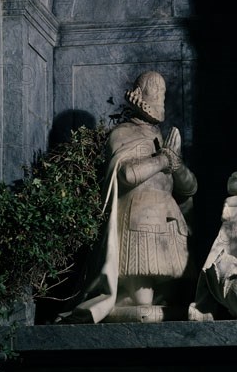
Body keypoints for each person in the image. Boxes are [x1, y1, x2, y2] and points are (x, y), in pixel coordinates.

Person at [62, 71, 198, 323]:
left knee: (171, 296)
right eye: (155, 91)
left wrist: (175, 163)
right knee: (143, 301)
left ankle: (129, 303)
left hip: (168, 220)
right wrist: (163, 159)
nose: (160, 98)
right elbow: (126, 174)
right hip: (138, 219)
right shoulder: (123, 133)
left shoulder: (162, 137)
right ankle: (118, 302)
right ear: (141, 94)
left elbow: (190, 188)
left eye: (163, 92)